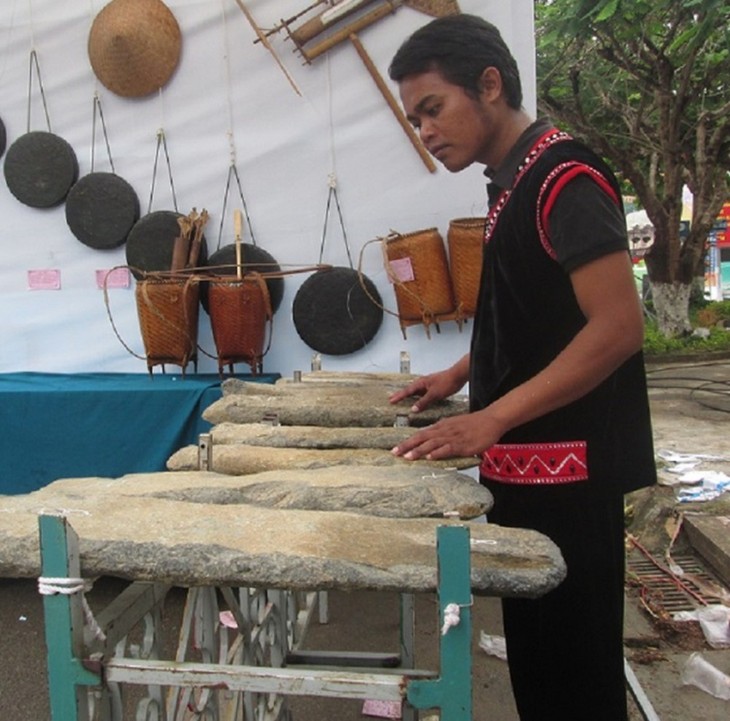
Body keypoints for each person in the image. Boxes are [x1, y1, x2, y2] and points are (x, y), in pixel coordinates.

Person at [388, 14, 657, 721]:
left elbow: (618, 326)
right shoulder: (511, 181)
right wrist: (458, 374)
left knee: (576, 678)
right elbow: (534, 312)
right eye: (415, 120)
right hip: (530, 471)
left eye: (432, 109)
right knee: (542, 671)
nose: (426, 131)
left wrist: (495, 415)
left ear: (490, 84)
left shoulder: (563, 177)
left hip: (569, 475)